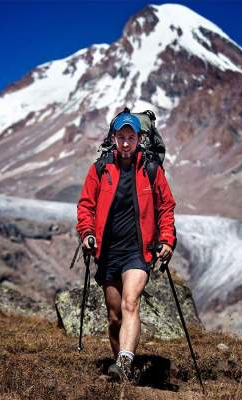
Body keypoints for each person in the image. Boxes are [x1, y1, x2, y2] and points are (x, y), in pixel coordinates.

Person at [76, 111, 176, 382]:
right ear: (114, 138)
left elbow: (166, 206)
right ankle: (123, 373)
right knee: (114, 316)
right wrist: (86, 233)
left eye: (131, 137)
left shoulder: (151, 169)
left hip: (138, 251)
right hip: (108, 251)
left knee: (131, 303)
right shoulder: (100, 169)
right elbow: (86, 205)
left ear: (139, 139)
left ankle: (124, 362)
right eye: (121, 137)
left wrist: (167, 239)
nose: (126, 143)